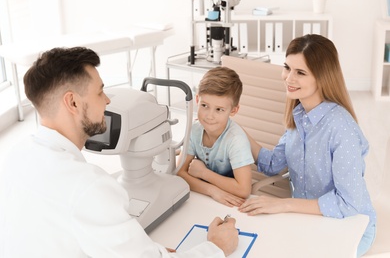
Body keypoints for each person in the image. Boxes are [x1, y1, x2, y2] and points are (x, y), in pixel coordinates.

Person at [0, 47, 239, 257]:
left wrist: (140, 250)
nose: (106, 101)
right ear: (72, 103)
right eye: (100, 92)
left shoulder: (16, 154)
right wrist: (216, 248)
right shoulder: (88, 187)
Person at [238, 34, 377, 257]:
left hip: (349, 225)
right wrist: (235, 130)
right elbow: (272, 163)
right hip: (308, 219)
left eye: (300, 72)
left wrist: (284, 205)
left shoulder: (341, 129)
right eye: (287, 68)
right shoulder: (299, 116)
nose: (288, 78)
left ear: (322, 78)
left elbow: (349, 204)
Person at [177, 66, 254, 207]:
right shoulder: (194, 130)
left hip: (230, 202)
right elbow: (180, 172)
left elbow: (243, 190)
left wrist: (204, 173)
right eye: (205, 105)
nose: (209, 116)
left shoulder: (236, 140)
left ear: (234, 110)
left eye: (219, 109)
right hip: (205, 197)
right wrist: (212, 191)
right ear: (197, 99)